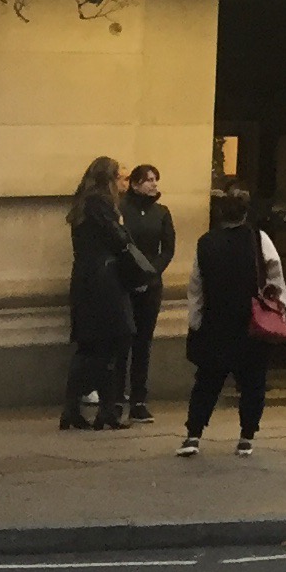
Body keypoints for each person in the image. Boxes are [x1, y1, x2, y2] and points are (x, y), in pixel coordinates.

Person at [179, 180, 285, 457]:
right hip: (251, 322)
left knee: (207, 382)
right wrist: (279, 309)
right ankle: (246, 437)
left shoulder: (206, 242)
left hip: (215, 321)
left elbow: (196, 287)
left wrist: (195, 322)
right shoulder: (258, 239)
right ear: (245, 213)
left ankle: (193, 435)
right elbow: (275, 278)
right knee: (252, 383)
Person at [61, 154, 141, 431]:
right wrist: (121, 222)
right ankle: (106, 410)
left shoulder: (84, 203)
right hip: (105, 282)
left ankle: (72, 409)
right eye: (122, 177)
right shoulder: (101, 205)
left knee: (88, 347)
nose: (125, 183)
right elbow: (118, 239)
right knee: (113, 343)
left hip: (86, 279)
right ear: (109, 179)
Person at [120, 162, 175, 423]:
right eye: (148, 180)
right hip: (126, 282)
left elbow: (168, 248)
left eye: (155, 179)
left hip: (150, 285)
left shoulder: (161, 212)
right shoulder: (122, 210)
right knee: (122, 341)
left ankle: (139, 399)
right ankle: (116, 396)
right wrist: (133, 274)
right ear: (134, 184)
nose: (153, 184)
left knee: (143, 343)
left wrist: (152, 273)